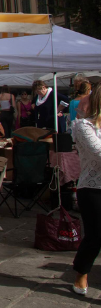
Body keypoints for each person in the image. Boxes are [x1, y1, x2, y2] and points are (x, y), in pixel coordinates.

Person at [71, 86, 101, 295]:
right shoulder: (83, 126)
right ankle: (81, 273)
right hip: (92, 187)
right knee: (96, 236)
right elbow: (98, 152)